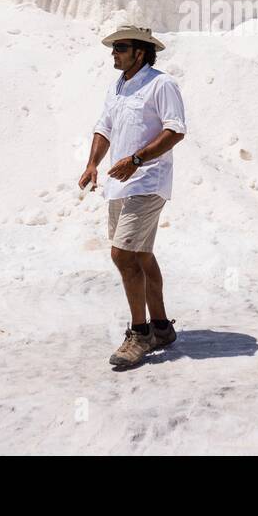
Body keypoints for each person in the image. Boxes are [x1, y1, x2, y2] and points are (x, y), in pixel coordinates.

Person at [78, 25, 188, 368]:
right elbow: (104, 127)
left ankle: (139, 335)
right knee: (140, 256)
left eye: (120, 47)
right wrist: (93, 163)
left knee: (122, 255)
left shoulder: (162, 84)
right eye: (113, 47)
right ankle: (161, 327)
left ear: (140, 52)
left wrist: (137, 159)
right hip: (119, 184)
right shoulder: (119, 86)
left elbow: (175, 130)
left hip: (148, 181)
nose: (114, 52)